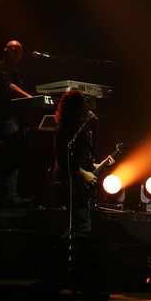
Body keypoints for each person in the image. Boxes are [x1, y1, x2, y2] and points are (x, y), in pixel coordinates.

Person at [0, 39, 34, 206]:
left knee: (21, 152)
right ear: (5, 50)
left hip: (16, 118)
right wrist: (29, 97)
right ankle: (9, 194)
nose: (17, 54)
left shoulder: (17, 72)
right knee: (16, 151)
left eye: (19, 51)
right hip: (3, 118)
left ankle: (18, 193)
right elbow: (8, 85)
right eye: (13, 50)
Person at [52, 89, 99, 238]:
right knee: (83, 228)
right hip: (68, 184)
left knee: (77, 227)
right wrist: (84, 174)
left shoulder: (78, 130)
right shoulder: (65, 131)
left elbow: (80, 160)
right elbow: (64, 160)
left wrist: (96, 166)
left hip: (75, 185)